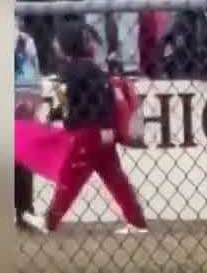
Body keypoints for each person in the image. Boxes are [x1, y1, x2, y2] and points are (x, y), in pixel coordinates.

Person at [44, 21, 147, 234]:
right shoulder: (96, 69)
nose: (54, 44)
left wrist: (54, 114)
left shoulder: (70, 70)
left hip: (86, 133)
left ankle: (49, 222)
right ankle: (136, 220)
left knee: (69, 178)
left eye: (57, 41)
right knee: (115, 178)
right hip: (105, 131)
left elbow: (64, 101)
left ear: (65, 45)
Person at [14, 18, 42, 231]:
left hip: (19, 101)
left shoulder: (24, 42)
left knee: (21, 161)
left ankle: (24, 210)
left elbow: (33, 75)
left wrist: (30, 102)